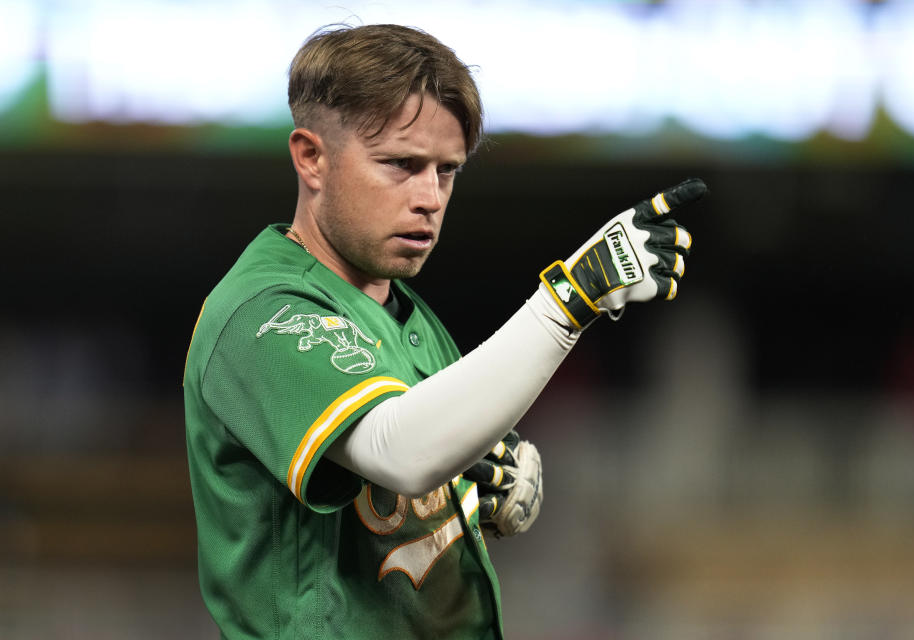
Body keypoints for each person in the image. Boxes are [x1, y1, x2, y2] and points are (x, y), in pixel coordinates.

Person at [183, 23, 706, 640]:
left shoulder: (403, 314)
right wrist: (569, 299)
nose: (429, 196)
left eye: (446, 170)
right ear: (312, 157)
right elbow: (397, 451)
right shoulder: (261, 309)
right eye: (401, 164)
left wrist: (478, 489)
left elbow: (414, 473)